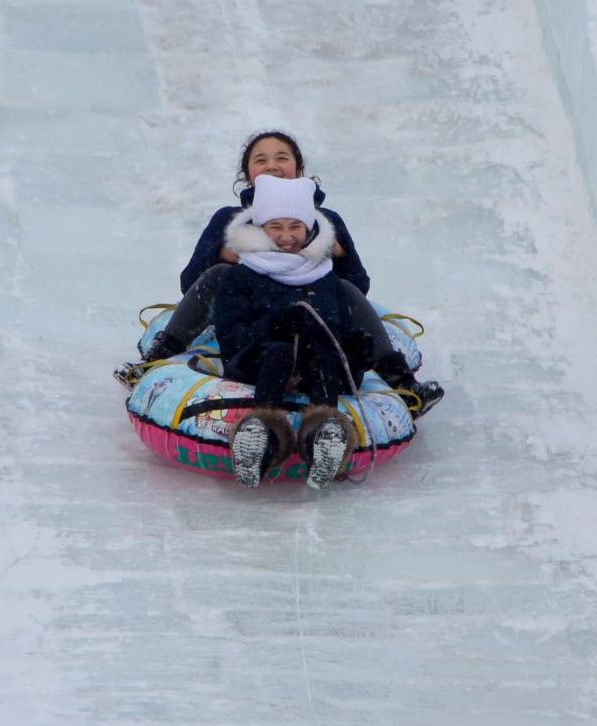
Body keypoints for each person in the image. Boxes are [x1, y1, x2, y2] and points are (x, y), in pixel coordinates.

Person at [115, 131, 444, 417]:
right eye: (260, 159)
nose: (271, 164)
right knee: (217, 274)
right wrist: (221, 255)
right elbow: (192, 284)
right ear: (246, 176)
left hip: (311, 320)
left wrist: (338, 256)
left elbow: (358, 285)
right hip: (248, 321)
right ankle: (153, 361)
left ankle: (403, 385)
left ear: (299, 170)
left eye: (281, 157)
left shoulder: (324, 221)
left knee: (342, 288)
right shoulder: (231, 219)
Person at [212, 175, 371, 489]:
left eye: (295, 227)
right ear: (260, 229)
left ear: (309, 228)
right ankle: (263, 438)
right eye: (276, 227)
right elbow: (231, 340)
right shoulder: (242, 276)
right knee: (279, 351)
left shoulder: (325, 277)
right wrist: (274, 325)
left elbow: (339, 332)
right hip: (256, 362)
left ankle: (323, 439)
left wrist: (356, 357)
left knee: (323, 361)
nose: (287, 237)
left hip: (315, 364)